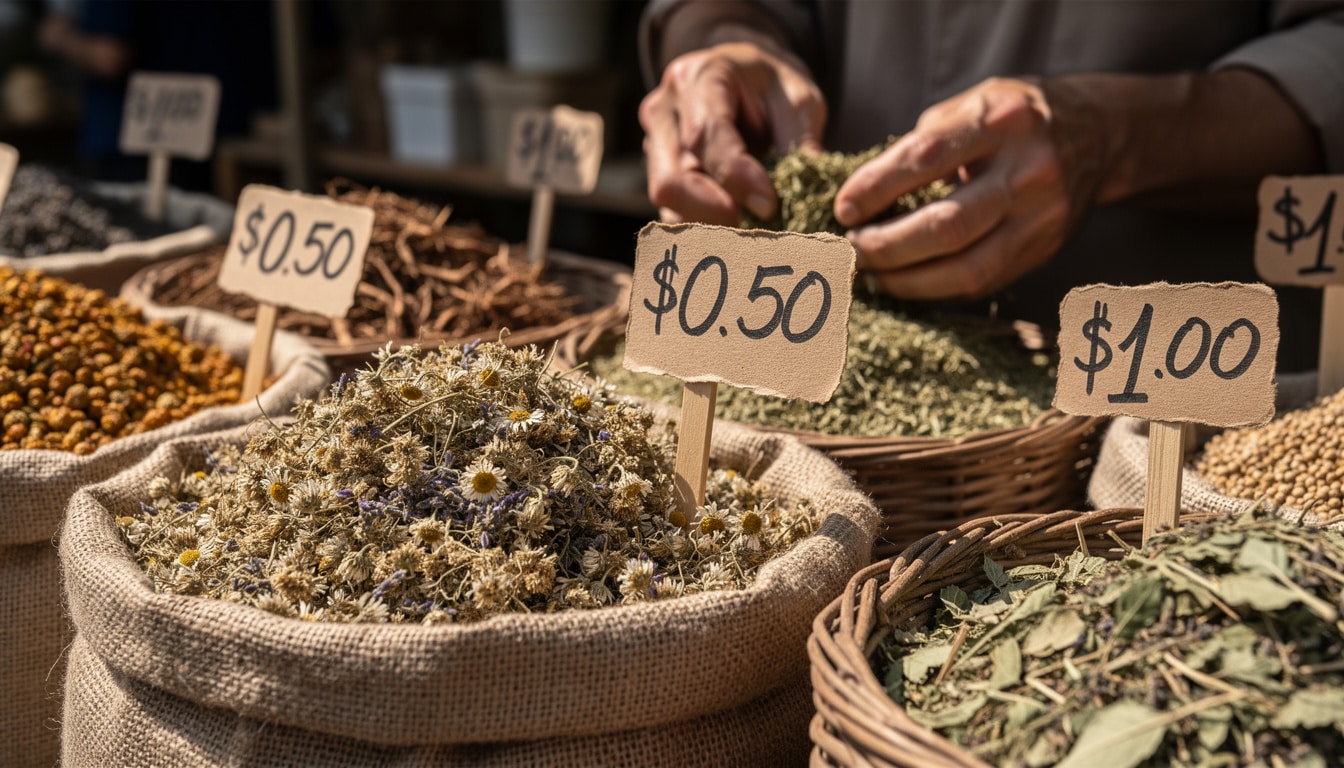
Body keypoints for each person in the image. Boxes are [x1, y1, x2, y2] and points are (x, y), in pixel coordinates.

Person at [638, 1, 1344, 370]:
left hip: (1165, 352)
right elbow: (732, 6)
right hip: (840, 333)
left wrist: (1113, 138)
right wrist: (722, 42)